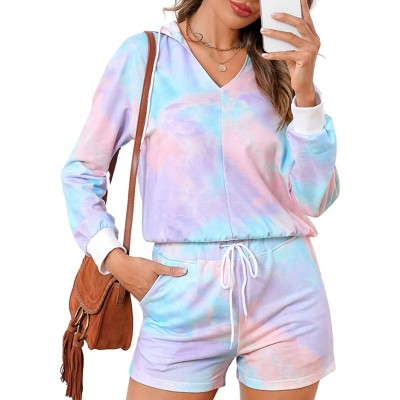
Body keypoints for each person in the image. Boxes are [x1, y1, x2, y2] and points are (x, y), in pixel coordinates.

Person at [61, 0, 340, 399]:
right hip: (181, 294)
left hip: (286, 296)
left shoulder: (280, 67)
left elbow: (315, 199)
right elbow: (82, 172)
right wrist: (115, 260)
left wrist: (306, 93)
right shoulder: (146, 57)